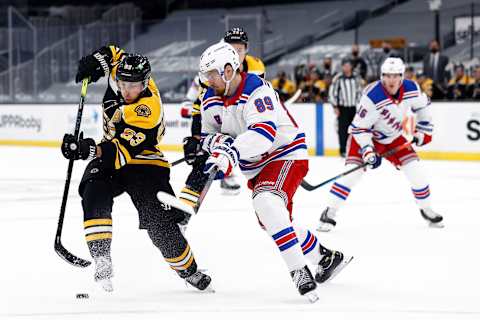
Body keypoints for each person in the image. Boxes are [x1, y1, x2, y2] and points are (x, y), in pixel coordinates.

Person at [197, 42, 352, 301]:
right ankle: (326, 258)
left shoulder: (257, 91)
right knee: (272, 219)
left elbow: (264, 135)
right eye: (205, 74)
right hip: (256, 167)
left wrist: (230, 152)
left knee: (266, 201)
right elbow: (208, 134)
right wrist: (215, 144)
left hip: (286, 154)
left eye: (211, 73)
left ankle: (299, 271)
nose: (208, 80)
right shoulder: (209, 98)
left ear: (227, 70)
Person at [60, 45, 212, 292]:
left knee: (158, 222)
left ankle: (189, 270)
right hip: (113, 152)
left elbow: (117, 153)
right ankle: (101, 257)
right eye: (122, 83)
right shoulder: (121, 73)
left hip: (145, 160)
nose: (126, 90)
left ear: (145, 83)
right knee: (93, 187)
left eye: (133, 86)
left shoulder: (147, 110)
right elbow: (114, 52)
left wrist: (86, 150)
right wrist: (96, 60)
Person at [318, 57, 444, 232]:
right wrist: (368, 151)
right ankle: (329, 212)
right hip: (363, 137)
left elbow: (423, 108)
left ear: (402, 76)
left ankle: (426, 208)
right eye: (387, 76)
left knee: (416, 171)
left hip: (393, 137)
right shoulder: (372, 96)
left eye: (395, 76)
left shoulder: (412, 88)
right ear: (381, 76)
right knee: (351, 176)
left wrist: (423, 131)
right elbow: (359, 128)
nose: (391, 80)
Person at [179, 27, 266, 210]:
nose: (235, 53)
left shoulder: (256, 67)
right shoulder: (212, 70)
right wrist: (197, 138)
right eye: (230, 48)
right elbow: (201, 109)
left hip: (246, 123)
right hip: (222, 122)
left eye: (239, 49)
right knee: (203, 159)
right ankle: (184, 212)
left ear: (246, 49)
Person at [329, 58, 363, 157]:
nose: (347, 67)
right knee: (342, 130)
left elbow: (360, 92)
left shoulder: (356, 78)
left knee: (355, 130)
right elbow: (332, 93)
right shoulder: (338, 78)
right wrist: (335, 106)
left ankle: (353, 149)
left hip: (353, 107)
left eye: (348, 65)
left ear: (351, 66)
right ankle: (343, 150)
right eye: (345, 65)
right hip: (342, 108)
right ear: (342, 67)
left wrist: (360, 106)